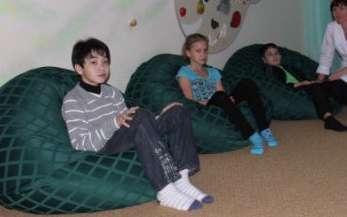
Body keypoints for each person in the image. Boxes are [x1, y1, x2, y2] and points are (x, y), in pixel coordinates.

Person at [62, 38, 213, 212]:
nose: (101, 67)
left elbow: (133, 123)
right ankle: (165, 189)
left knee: (178, 111)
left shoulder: (112, 92)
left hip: (127, 135)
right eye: (94, 62)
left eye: (105, 62)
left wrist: (161, 116)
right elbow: (80, 143)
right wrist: (115, 122)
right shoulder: (73, 100)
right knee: (139, 115)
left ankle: (182, 179)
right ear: (79, 68)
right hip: (105, 145)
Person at [177, 33, 278, 155]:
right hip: (205, 105)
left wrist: (228, 99)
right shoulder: (185, 72)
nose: (203, 54)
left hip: (221, 101)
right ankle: (252, 136)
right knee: (219, 96)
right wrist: (217, 99)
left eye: (205, 50)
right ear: (188, 53)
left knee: (247, 83)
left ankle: (265, 130)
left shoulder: (213, 71)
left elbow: (221, 91)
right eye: (198, 51)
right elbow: (189, 99)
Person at [260, 43, 347, 132]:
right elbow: (278, 85)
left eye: (276, 53)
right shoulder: (270, 69)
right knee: (316, 87)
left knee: (334, 83)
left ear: (280, 56)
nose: (274, 56)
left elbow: (303, 77)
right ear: (264, 60)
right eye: (270, 54)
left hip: (305, 85)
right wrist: (299, 84)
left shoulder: (289, 67)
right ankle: (328, 119)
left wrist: (311, 81)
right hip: (293, 90)